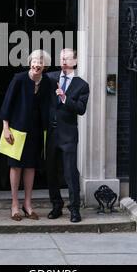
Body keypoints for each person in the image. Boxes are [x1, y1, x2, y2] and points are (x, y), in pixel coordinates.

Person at [0, 49, 51, 221]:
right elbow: (7, 104)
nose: (37, 64)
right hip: (17, 129)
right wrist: (6, 128)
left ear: (45, 65)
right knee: (15, 166)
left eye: (41, 62)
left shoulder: (47, 82)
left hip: (36, 130)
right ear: (30, 63)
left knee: (30, 166)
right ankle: (15, 205)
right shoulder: (19, 79)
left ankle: (27, 204)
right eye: (35, 61)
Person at [46, 48, 89, 223]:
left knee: (70, 172)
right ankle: (56, 205)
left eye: (67, 59)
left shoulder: (81, 85)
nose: (63, 62)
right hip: (50, 133)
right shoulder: (50, 79)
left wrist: (65, 98)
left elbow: (81, 109)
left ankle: (74, 208)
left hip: (69, 134)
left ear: (75, 62)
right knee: (50, 172)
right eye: (62, 58)